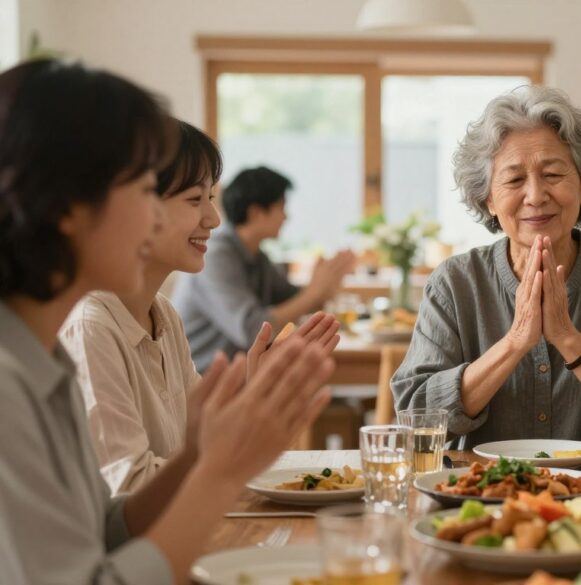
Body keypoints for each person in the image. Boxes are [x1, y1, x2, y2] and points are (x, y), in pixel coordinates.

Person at [0, 58, 333, 584]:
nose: (157, 217)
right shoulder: (13, 380)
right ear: (66, 205)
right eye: (141, 189)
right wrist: (219, 472)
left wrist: (202, 449)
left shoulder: (44, 356)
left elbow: (104, 530)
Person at [391, 86, 581, 450]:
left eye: (552, 174)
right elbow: (415, 419)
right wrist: (515, 342)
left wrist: (567, 337)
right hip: (481, 496)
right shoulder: (455, 283)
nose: (535, 195)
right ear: (489, 200)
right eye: (514, 180)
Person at [60, 120, 340, 494]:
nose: (214, 218)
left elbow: (202, 440)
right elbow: (129, 487)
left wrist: (257, 389)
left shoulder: (163, 314)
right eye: (195, 199)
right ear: (133, 206)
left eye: (211, 198)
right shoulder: (91, 327)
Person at [173, 165, 356, 371]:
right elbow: (253, 330)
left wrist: (324, 286)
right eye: (282, 207)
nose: (286, 217)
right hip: (203, 382)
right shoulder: (215, 256)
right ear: (256, 212)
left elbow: (291, 300)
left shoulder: (256, 256)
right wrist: (314, 293)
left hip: (241, 376)